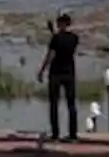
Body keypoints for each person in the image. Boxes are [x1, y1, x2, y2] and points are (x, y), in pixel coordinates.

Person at [37, 12, 79, 143]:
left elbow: (51, 54)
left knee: (54, 104)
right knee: (71, 104)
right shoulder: (74, 38)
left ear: (60, 23)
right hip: (69, 73)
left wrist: (42, 70)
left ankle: (55, 134)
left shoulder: (55, 39)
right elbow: (63, 42)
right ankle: (73, 134)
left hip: (56, 73)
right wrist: (54, 34)